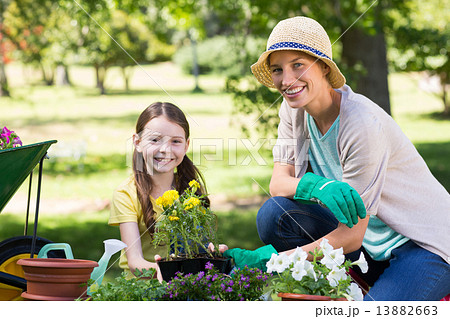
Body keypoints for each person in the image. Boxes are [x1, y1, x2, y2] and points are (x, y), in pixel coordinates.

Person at [223, 16, 450, 301]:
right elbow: (279, 183)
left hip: (422, 244)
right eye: (278, 69)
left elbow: (350, 235)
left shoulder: (361, 124)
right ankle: (343, 283)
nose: (287, 80)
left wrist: (271, 261)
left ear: (323, 68)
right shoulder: (293, 109)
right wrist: (315, 186)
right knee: (274, 215)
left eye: (298, 65)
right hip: (370, 245)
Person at [109, 102, 210, 281]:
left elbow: (196, 249)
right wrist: (164, 271)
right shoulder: (126, 194)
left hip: (185, 286)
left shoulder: (190, 190)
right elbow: (134, 262)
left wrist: (211, 252)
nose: (165, 149)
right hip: (143, 291)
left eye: (176, 141)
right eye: (155, 140)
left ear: (186, 146)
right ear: (137, 142)